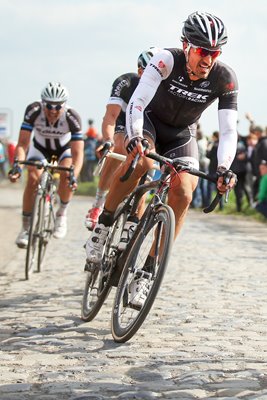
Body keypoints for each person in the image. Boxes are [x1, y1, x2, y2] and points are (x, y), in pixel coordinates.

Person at [86, 11, 238, 305]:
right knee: (142, 162)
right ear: (186, 46)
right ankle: (103, 225)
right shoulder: (167, 61)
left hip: (182, 135)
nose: (208, 59)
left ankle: (146, 273)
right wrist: (136, 137)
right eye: (202, 51)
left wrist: (223, 168)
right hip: (150, 123)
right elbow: (138, 102)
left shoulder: (225, 78)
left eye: (214, 52)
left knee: (183, 192)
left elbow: (229, 129)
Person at [84, 47, 160, 230]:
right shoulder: (126, 82)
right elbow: (110, 116)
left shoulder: (164, 87)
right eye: (146, 71)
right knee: (117, 148)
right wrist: (107, 140)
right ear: (140, 70)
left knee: (148, 164)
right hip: (123, 123)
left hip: (149, 129)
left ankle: (131, 229)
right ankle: (98, 203)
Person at [9, 82, 84, 248]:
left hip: (63, 150)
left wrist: (74, 176)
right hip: (40, 150)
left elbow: (78, 153)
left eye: (58, 107)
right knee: (33, 179)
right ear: (43, 103)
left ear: (64, 105)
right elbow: (22, 144)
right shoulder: (33, 110)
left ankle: (61, 214)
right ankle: (26, 228)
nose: (52, 110)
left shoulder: (72, 117)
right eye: (49, 106)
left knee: (66, 175)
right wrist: (18, 167)